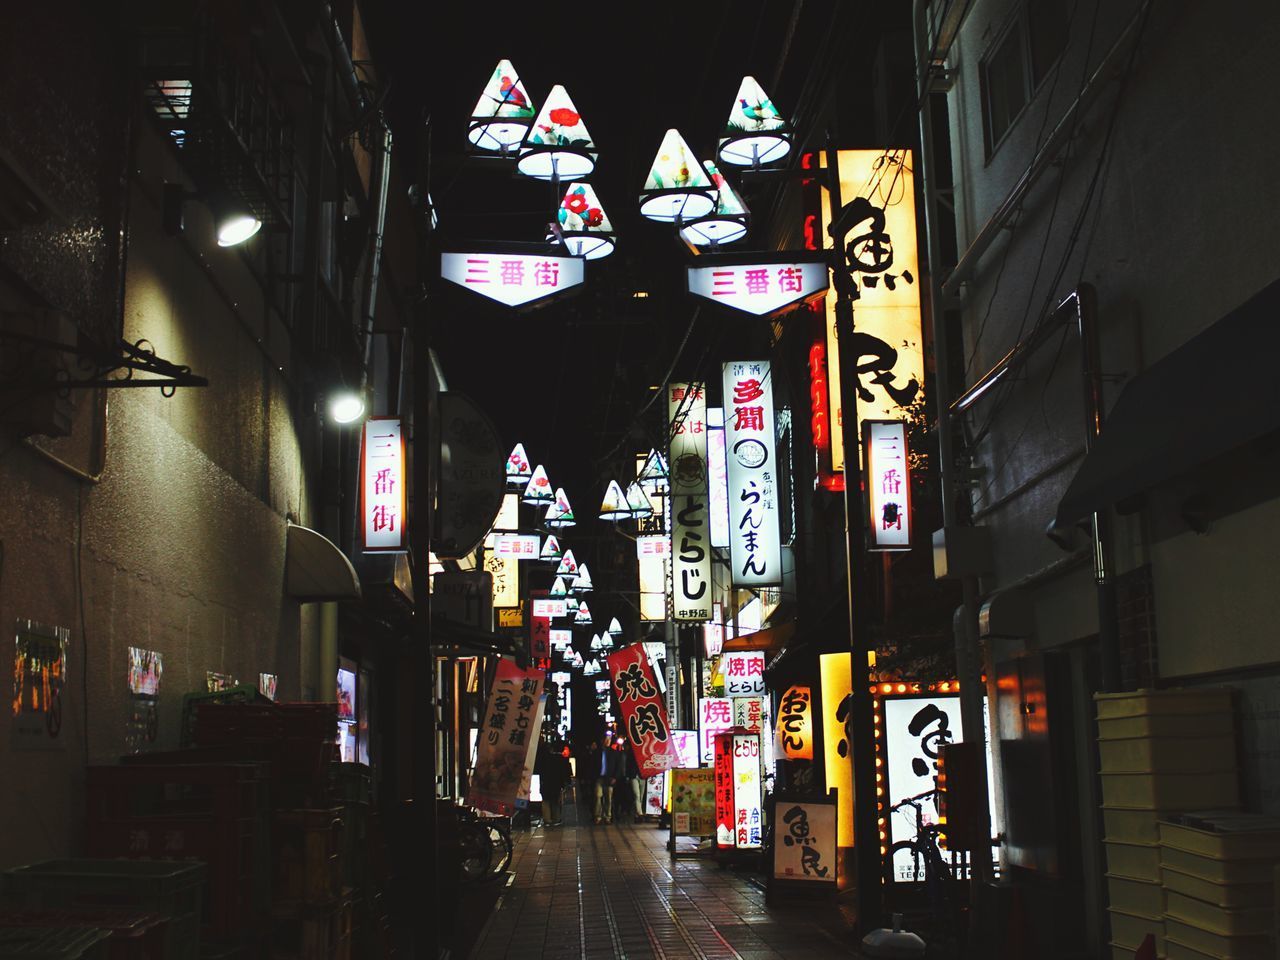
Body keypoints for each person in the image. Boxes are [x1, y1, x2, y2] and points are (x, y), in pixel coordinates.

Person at [535, 739, 569, 827]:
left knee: (545, 801)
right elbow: (561, 772)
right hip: (555, 783)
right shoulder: (557, 759)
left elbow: (538, 770)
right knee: (555, 802)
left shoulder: (541, 759)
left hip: (545, 783)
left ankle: (547, 819)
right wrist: (563, 783)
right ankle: (556, 819)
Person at [593, 738, 625, 824]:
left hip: (609, 778)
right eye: (606, 740)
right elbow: (592, 764)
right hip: (599, 777)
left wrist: (615, 777)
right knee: (598, 796)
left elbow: (618, 765)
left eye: (609, 740)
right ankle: (598, 816)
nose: (607, 741)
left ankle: (607, 816)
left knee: (608, 798)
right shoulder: (597, 752)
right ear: (602, 741)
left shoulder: (614, 752)